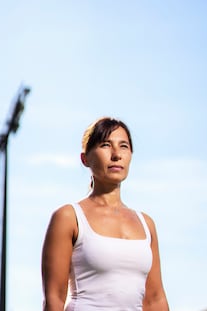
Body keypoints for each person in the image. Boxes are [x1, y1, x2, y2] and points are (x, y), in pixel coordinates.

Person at [41, 117, 169, 311]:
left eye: (123, 146)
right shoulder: (68, 217)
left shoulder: (146, 224)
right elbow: (54, 299)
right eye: (106, 145)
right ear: (85, 159)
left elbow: (155, 299)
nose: (116, 154)